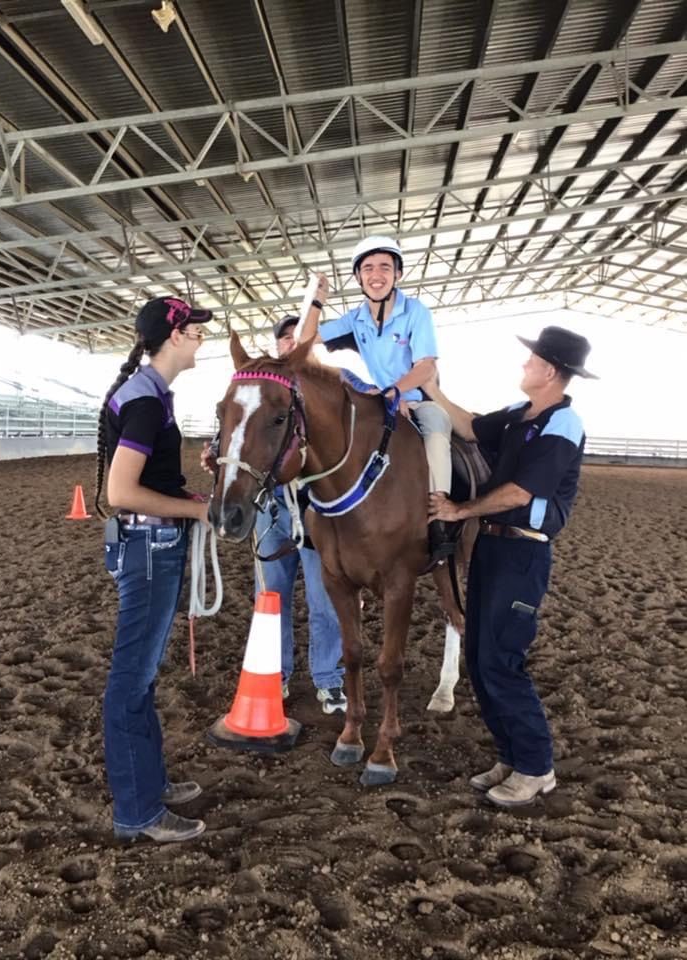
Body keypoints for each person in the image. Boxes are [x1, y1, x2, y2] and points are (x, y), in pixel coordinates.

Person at [426, 326, 598, 807]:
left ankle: (536, 767)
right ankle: (510, 755)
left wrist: (461, 511)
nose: (524, 367)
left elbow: (524, 491)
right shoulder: (520, 417)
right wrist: (431, 387)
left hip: (522, 552)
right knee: (481, 659)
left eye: (531, 361)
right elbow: (468, 425)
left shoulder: (563, 424)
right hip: (494, 548)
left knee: (501, 660)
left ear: (549, 370)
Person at [95, 295, 212, 843]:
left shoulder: (149, 394)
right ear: (174, 337)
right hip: (148, 546)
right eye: (194, 330)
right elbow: (120, 492)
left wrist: (184, 496)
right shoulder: (145, 402)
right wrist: (196, 509)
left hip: (147, 544)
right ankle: (138, 811)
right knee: (131, 679)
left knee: (139, 675)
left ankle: (149, 784)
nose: (200, 338)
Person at [300, 236, 458, 564]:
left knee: (436, 435)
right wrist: (316, 301)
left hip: (416, 397)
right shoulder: (354, 318)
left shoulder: (416, 311)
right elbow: (305, 340)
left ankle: (440, 518)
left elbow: (426, 365)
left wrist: (397, 391)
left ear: (397, 274)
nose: (377, 274)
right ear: (358, 277)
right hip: (381, 399)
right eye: (368, 268)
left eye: (385, 267)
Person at [255, 314, 347, 714]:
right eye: (285, 339)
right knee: (271, 595)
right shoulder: (260, 385)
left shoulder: (331, 386)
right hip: (272, 503)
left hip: (317, 506)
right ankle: (275, 674)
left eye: (298, 338)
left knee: (323, 596)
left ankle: (328, 678)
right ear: (277, 346)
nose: (290, 344)